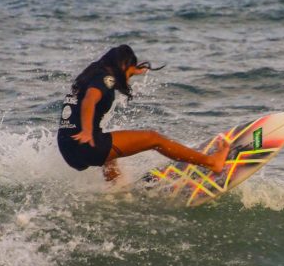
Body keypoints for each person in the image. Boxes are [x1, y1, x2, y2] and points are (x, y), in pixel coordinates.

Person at [57, 45, 230, 181]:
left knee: (110, 147)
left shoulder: (90, 75)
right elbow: (90, 99)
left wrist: (134, 70)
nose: (130, 79)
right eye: (130, 72)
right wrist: (87, 131)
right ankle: (212, 162)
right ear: (123, 65)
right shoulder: (107, 78)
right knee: (153, 139)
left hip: (68, 149)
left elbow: (92, 93)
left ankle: (116, 186)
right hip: (86, 144)